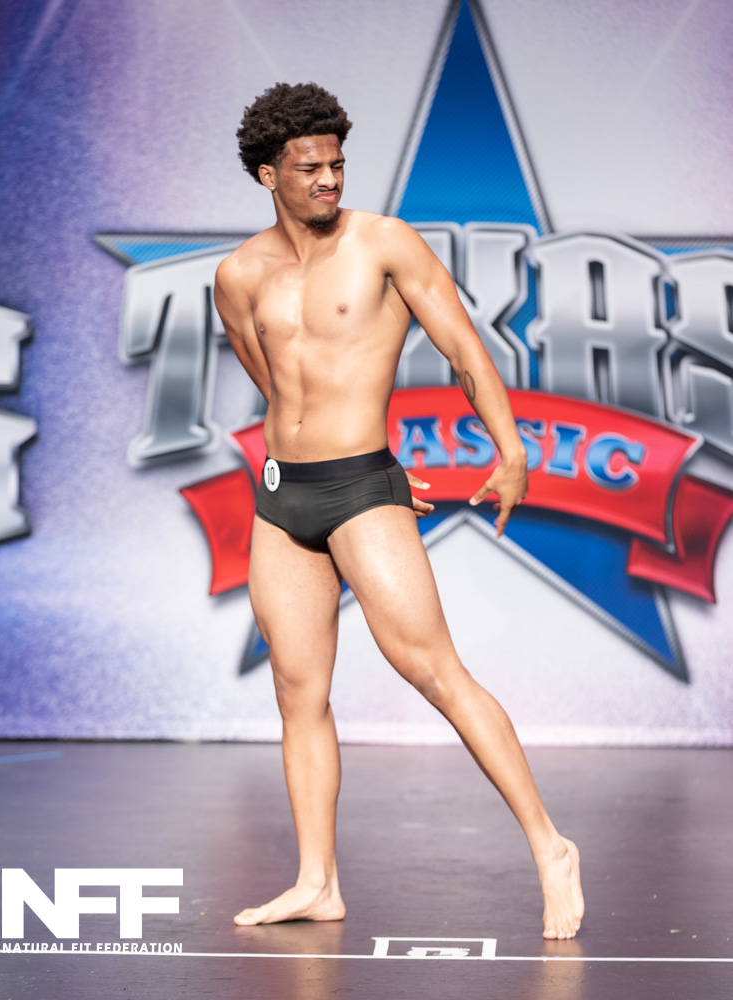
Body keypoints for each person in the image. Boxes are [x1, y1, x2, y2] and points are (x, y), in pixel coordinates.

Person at [214, 82, 584, 940]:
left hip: (360, 488)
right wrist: (301, 444)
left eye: (337, 164)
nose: (328, 180)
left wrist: (511, 451)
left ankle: (551, 846)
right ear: (268, 174)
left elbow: (462, 347)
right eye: (309, 168)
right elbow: (270, 381)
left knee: (433, 670)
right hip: (283, 496)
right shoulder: (239, 274)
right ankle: (317, 882)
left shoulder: (383, 243)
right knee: (298, 691)